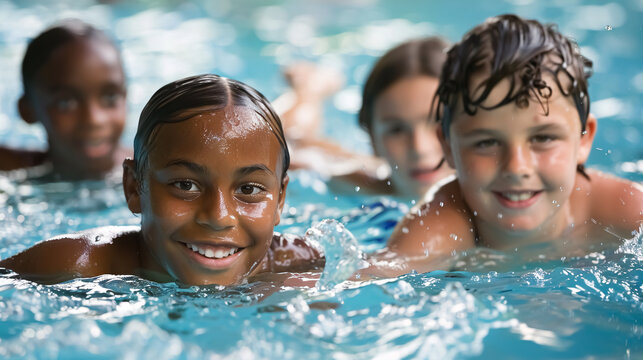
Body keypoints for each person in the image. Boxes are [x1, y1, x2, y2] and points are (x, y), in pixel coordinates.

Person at [0, 74, 323, 285]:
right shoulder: (77, 264)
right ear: (133, 187)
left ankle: (309, 90)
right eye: (186, 185)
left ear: (280, 200)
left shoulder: (295, 262)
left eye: (249, 189)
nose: (219, 216)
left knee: (301, 139)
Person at [381, 14, 643, 274]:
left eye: (543, 138)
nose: (517, 167)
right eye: (487, 142)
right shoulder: (438, 229)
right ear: (448, 146)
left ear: (584, 138)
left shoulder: (626, 213)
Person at [278, 37, 455, 200]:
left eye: (440, 122)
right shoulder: (360, 185)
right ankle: (310, 88)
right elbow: (283, 147)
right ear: (372, 138)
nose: (419, 149)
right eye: (396, 130)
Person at [0, 19, 129, 180]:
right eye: (66, 103)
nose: (94, 119)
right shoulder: (18, 171)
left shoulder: (153, 171)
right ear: (27, 110)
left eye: (110, 97)